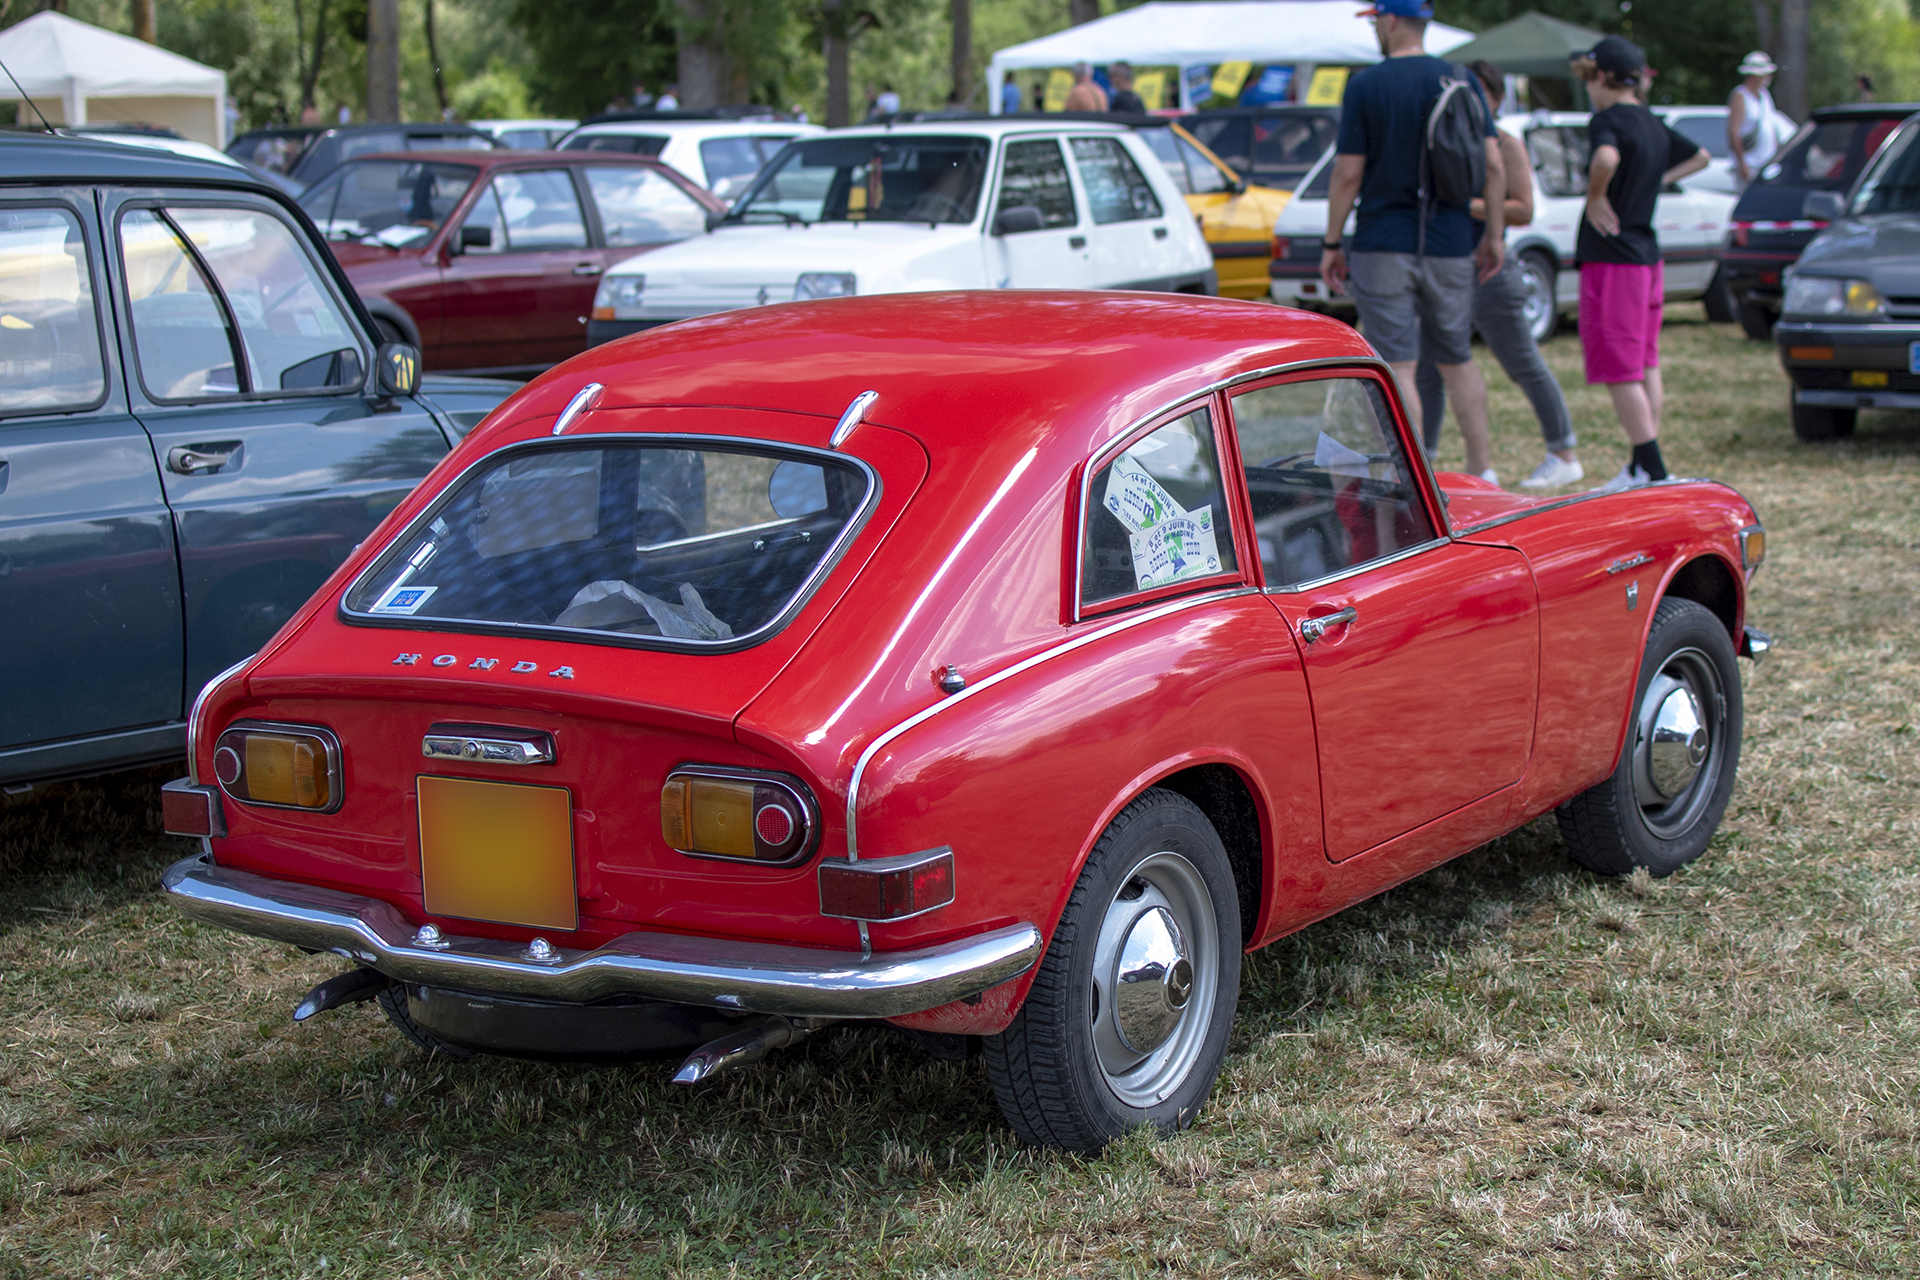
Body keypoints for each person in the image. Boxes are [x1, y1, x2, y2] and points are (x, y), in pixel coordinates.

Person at [1320, 0, 1506, 482]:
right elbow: (1493, 165)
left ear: (1391, 20)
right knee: (1457, 359)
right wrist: (1494, 235)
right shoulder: (1462, 80)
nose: (1376, 28)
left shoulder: (1366, 84)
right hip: (1448, 244)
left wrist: (1331, 241)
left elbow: (1347, 173)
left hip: (1384, 242)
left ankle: (1418, 484)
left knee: (1398, 365)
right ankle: (1483, 470)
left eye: (1377, 19)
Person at [1413, 61, 1580, 488]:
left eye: (1477, 95)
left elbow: (1523, 208)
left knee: (1522, 361)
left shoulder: (1505, 145)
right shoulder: (1446, 141)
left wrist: (1463, 204)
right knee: (1429, 368)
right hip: (1446, 265)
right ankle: (1422, 461)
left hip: (1492, 267)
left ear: (1495, 99)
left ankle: (1563, 452)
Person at [1574, 36, 1710, 491]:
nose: (1589, 85)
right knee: (1646, 362)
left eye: (1591, 76)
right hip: (1648, 260)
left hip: (1613, 261)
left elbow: (1607, 156)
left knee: (1620, 367)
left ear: (1605, 77)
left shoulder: (1608, 120)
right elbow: (1700, 156)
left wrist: (1596, 196)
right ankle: (1640, 463)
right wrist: (1657, 180)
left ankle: (1652, 469)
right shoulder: (1652, 122)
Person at [1727, 51, 1781, 189]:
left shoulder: (1765, 95)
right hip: (1750, 164)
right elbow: (1734, 132)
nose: (1769, 77)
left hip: (1766, 165)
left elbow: (1771, 127)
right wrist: (1742, 163)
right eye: (1766, 73)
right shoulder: (1740, 95)